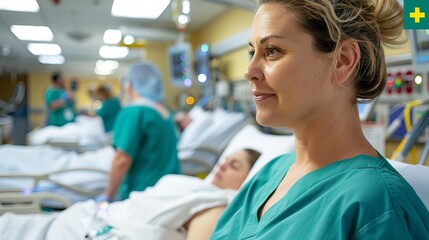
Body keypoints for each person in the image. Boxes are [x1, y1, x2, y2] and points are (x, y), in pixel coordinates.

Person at [211, 1, 429, 239]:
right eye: (252, 52)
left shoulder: (378, 206)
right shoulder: (268, 174)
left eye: (272, 50)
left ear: (343, 60)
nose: (248, 71)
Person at [0, 149, 261, 240]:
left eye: (235, 166)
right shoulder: (189, 183)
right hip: (86, 218)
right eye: (226, 159)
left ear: (246, 182)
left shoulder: (214, 203)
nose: (223, 165)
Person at [98, 61, 182, 202]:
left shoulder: (133, 112)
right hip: (170, 192)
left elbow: (121, 160)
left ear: (129, 85)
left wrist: (107, 195)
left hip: (142, 195)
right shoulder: (164, 114)